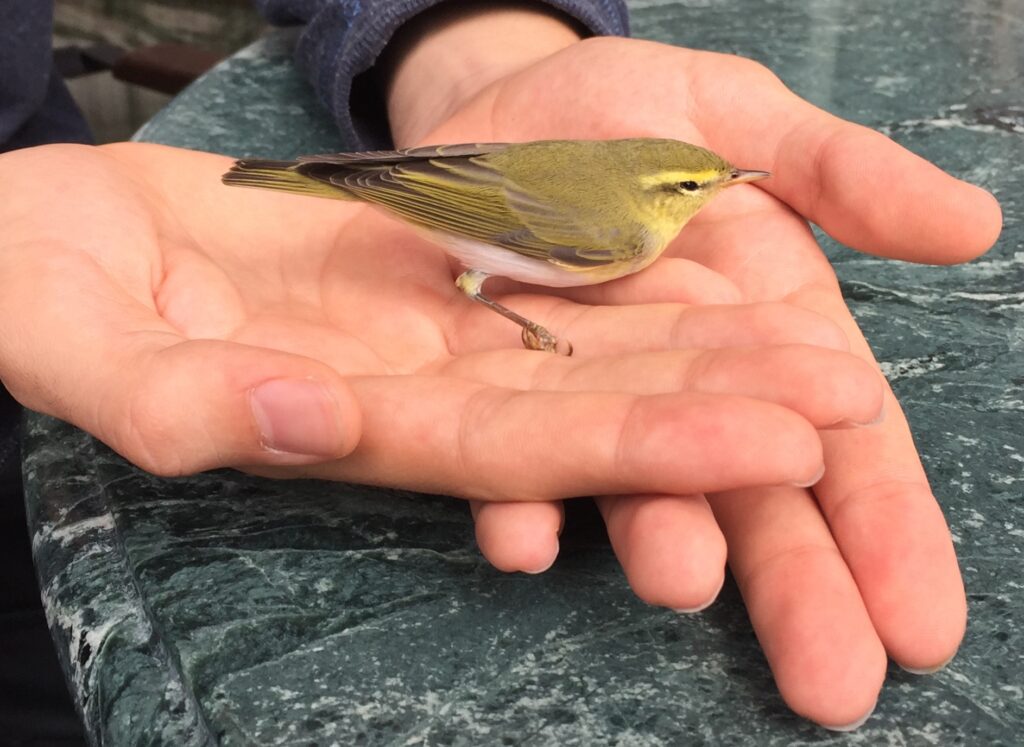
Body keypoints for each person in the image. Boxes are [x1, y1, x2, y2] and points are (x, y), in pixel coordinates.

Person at [0, 0, 1002, 738]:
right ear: (656, 191)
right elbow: (472, 231)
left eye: (712, 182)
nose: (716, 190)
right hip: (448, 216)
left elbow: (486, 164)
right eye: (693, 185)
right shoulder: (620, 232)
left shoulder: (628, 197)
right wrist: (514, 311)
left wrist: (475, 40)